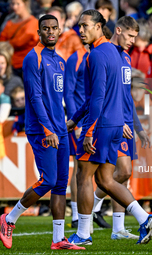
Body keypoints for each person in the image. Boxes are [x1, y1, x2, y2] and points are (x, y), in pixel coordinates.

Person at [66, 10, 152, 245]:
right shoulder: (117, 55)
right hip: (116, 124)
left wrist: (87, 130)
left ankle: (84, 234)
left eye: (85, 25)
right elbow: (110, 95)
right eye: (79, 26)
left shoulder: (97, 54)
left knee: (83, 176)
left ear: (99, 27)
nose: (81, 30)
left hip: (101, 125)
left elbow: (97, 97)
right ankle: (143, 217)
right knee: (106, 180)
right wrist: (75, 120)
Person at [0, 14, 85, 250]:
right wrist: (48, 128)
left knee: (60, 184)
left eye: (54, 28)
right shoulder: (32, 58)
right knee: (48, 180)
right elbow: (35, 97)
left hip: (61, 129)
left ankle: (58, 239)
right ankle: (9, 218)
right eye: (45, 29)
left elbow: (60, 98)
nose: (50, 32)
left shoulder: (59, 60)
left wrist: (68, 123)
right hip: (42, 129)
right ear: (38, 32)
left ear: (59, 31)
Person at [90, 16, 151, 240]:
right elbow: (103, 94)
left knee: (122, 176)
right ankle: (93, 207)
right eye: (130, 36)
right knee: (121, 172)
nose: (133, 41)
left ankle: (117, 228)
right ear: (118, 30)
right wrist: (120, 121)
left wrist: (138, 127)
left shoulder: (125, 58)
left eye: (136, 37)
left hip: (124, 121)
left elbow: (125, 96)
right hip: (112, 123)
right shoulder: (106, 53)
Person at [64, 44, 89, 228]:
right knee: (80, 166)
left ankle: (90, 210)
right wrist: (76, 123)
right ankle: (75, 214)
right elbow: (69, 92)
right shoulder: (76, 58)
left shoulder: (99, 56)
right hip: (81, 122)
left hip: (95, 120)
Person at [0, 0, 39, 77]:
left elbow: (19, 42)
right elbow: (1, 40)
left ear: (25, 4)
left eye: (18, 4)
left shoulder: (33, 22)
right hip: (10, 64)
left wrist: (6, 43)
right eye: (12, 4)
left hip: (26, 65)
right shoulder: (10, 22)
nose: (14, 7)